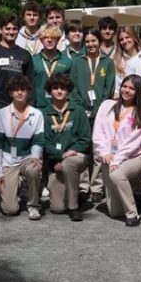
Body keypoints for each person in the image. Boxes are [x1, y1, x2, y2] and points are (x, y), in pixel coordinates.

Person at [92, 75, 141, 226]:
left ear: (138, 92)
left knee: (117, 174)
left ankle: (132, 214)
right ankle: (133, 197)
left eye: (131, 88)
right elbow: (98, 132)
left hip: (132, 157)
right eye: (125, 86)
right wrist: (105, 153)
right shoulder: (107, 105)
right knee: (115, 212)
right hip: (108, 156)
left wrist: (116, 160)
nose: (126, 90)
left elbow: (133, 143)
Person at [69, 27, 116, 204]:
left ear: (99, 42)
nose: (90, 44)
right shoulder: (77, 61)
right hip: (81, 112)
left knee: (98, 149)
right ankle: (82, 186)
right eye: (87, 41)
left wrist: (99, 109)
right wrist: (80, 108)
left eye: (93, 41)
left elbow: (109, 89)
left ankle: (96, 187)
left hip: (100, 113)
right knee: (83, 149)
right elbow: (72, 87)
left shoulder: (107, 62)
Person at [0, 75, 45, 219]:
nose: (20, 93)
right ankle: (15, 186)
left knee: (34, 169)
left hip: (27, 158)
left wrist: (35, 156)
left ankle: (33, 205)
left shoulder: (37, 114)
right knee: (10, 210)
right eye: (16, 90)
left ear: (28, 92)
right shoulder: (1, 114)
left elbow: (38, 141)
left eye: (23, 90)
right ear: (10, 93)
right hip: (8, 161)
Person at [41, 72, 90, 221]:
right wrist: (59, 156)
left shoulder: (78, 110)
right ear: (50, 91)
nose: (59, 91)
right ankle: (76, 195)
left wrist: (69, 154)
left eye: (63, 88)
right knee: (58, 208)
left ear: (68, 90)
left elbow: (85, 139)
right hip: (55, 163)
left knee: (69, 163)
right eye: (55, 88)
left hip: (76, 158)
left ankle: (74, 207)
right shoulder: (44, 113)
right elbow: (44, 143)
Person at [0, 14, 34, 122]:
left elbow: (31, 83)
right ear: (1, 30)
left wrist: (30, 106)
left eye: (14, 29)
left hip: (19, 106)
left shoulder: (25, 54)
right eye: (7, 28)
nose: (11, 32)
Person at [30, 25, 71, 109]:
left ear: (58, 39)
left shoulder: (67, 61)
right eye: (45, 37)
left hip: (60, 107)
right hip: (39, 107)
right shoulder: (33, 61)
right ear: (41, 40)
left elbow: (70, 88)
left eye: (53, 37)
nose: (49, 40)